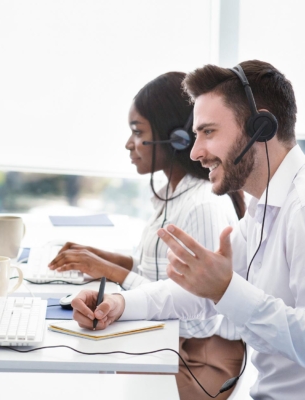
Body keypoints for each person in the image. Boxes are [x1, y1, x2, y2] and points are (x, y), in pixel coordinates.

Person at [71, 60, 305, 399]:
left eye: (208, 132)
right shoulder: (263, 208)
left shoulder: (300, 210)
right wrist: (120, 304)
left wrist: (226, 291)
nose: (195, 153)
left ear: (261, 127)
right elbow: (195, 291)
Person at [49, 72, 245, 399]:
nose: (129, 144)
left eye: (138, 133)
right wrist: (101, 259)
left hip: (201, 363)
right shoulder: (171, 194)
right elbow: (156, 270)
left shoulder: (202, 206)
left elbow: (201, 317)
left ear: (176, 138)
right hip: (172, 347)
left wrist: (116, 275)